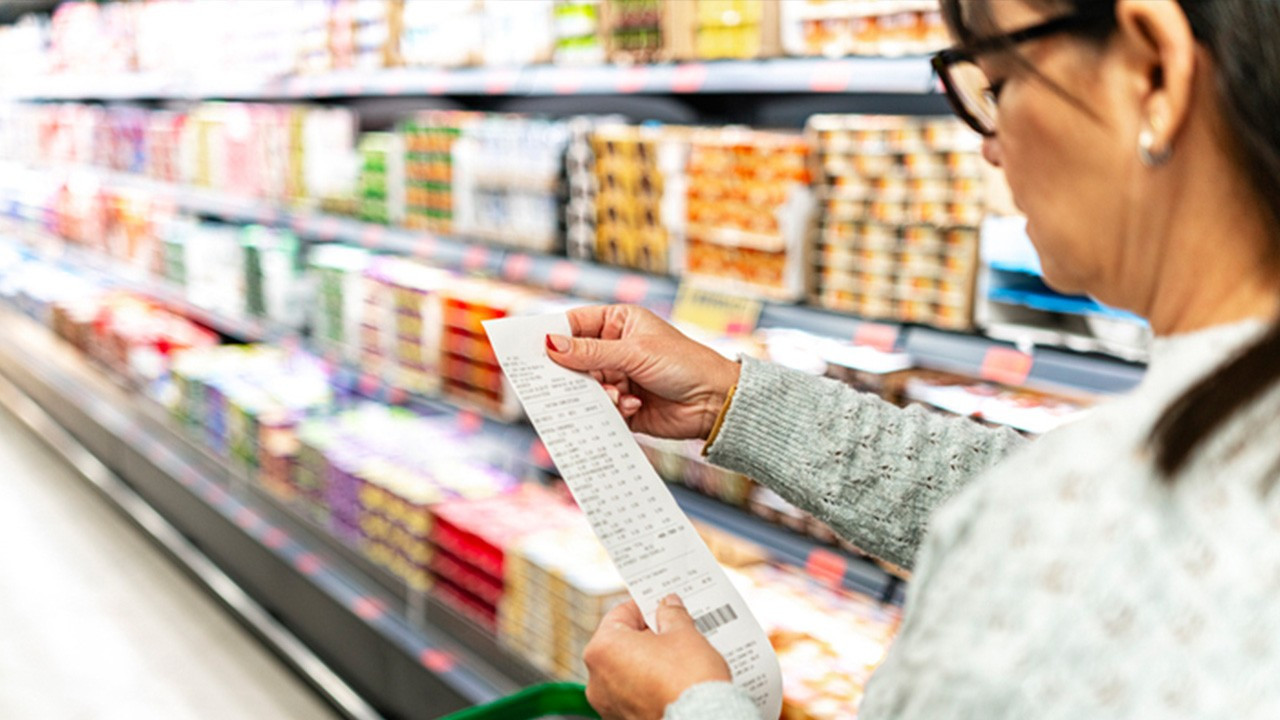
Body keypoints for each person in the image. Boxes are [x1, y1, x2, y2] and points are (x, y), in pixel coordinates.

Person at [544, 0, 1280, 718]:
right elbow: (1012, 491)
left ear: (1153, 68)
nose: (987, 143)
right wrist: (729, 400)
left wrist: (689, 709)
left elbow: (1046, 515)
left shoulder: (1088, 511)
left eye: (997, 85)